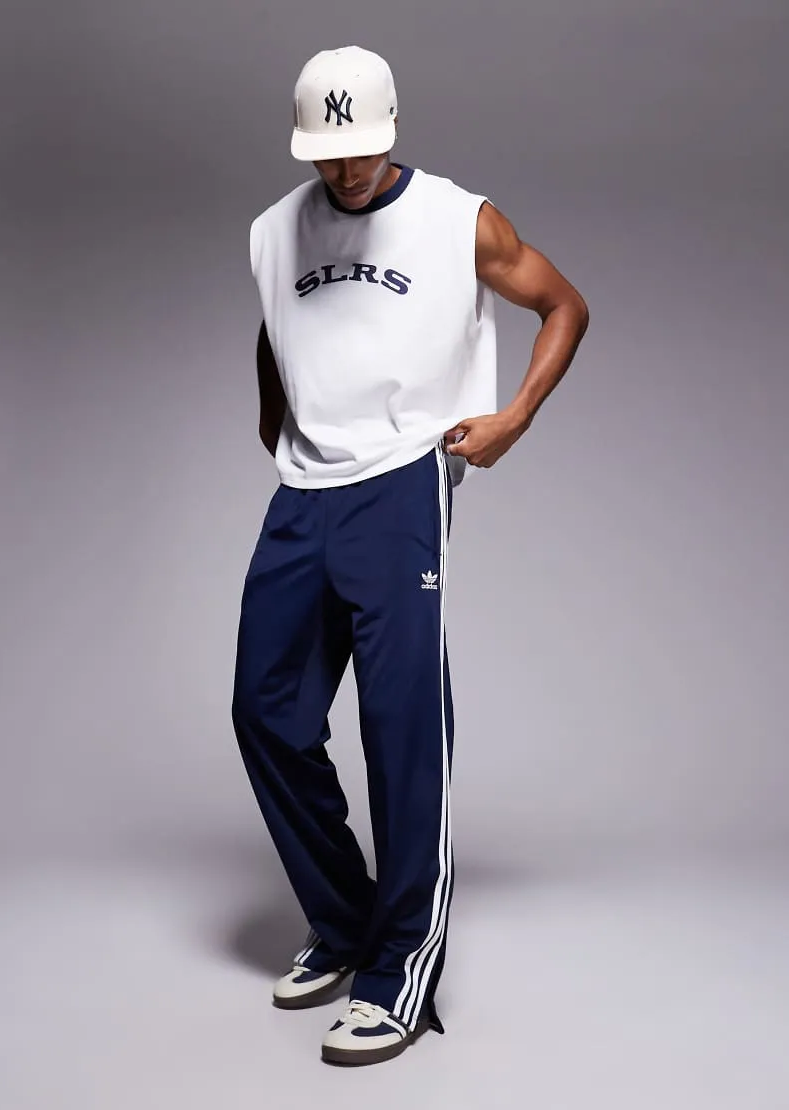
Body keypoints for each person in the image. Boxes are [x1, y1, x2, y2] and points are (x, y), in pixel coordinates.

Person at [232, 45, 589, 1067]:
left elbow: (564, 305)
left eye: (360, 149)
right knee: (265, 712)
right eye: (326, 153)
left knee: (400, 728)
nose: (344, 170)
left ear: (389, 130)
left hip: (401, 483)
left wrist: (514, 416)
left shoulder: (459, 219)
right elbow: (276, 329)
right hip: (305, 489)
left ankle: (398, 969)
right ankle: (344, 922)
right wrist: (279, 421)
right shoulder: (271, 230)